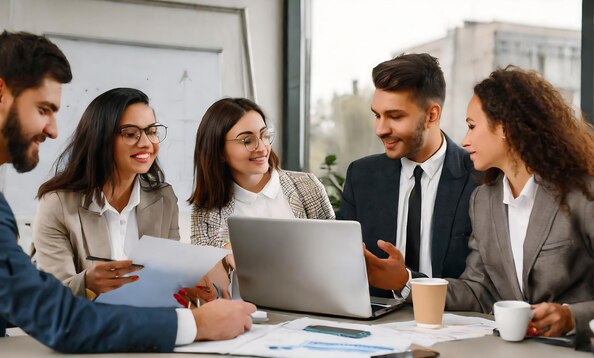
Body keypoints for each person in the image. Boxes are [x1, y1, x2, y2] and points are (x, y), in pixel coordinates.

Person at [0, 31, 254, 352]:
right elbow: (55, 316)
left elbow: (8, 299)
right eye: (44, 109)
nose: (53, 129)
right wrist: (197, 325)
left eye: (150, 131)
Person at [365, 66, 594, 351]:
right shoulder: (484, 200)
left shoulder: (583, 195)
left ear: (505, 128)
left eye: (472, 126)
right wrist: (405, 280)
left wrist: (572, 317)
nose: (464, 140)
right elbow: (479, 290)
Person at [337, 53, 478, 298]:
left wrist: (406, 281)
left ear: (431, 115)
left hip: (453, 322)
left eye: (395, 116)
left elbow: (485, 285)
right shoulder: (362, 176)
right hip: (377, 324)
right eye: (377, 115)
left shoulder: (480, 178)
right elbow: (341, 264)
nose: (380, 130)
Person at [33, 88, 179, 299]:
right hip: (88, 327)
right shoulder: (56, 204)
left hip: (148, 325)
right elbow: (51, 295)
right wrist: (86, 284)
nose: (147, 142)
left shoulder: (164, 198)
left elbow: (171, 276)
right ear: (100, 139)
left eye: (152, 131)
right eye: (130, 134)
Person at [189, 97, 335, 250]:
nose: (262, 148)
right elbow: (204, 270)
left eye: (265, 136)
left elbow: (333, 252)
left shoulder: (308, 187)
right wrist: (226, 257)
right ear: (219, 151)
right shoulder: (205, 211)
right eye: (247, 141)